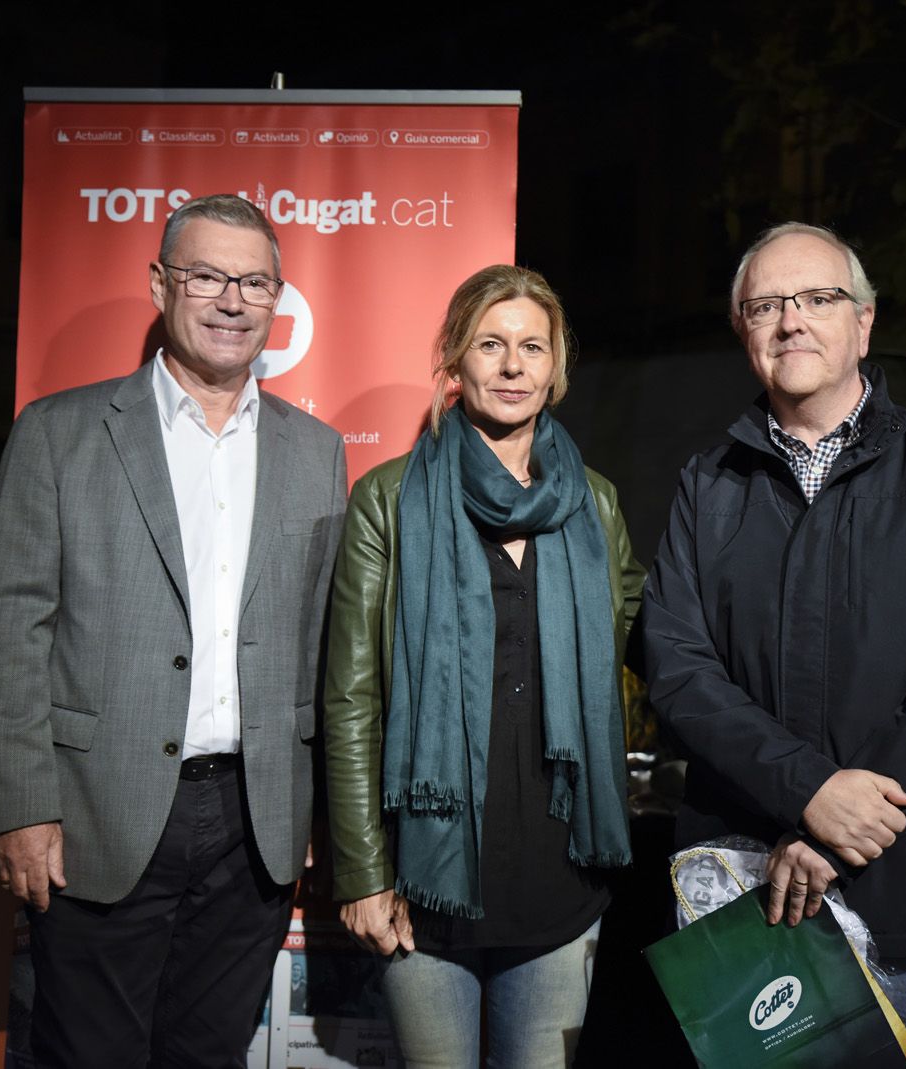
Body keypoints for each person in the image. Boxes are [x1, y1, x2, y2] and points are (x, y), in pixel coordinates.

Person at [0, 193, 348, 1066]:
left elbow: (326, 650)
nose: (231, 300)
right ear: (159, 284)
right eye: (207, 275)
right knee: (87, 1052)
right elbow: (11, 631)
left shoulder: (315, 450)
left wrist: (329, 817)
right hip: (98, 813)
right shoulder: (59, 435)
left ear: (277, 298)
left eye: (254, 282)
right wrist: (20, 806)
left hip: (254, 820)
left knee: (207, 1055)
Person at [639, 223, 906, 1068]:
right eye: (767, 305)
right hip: (753, 898)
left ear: (865, 323)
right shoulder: (709, 484)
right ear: (743, 330)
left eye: (818, 299)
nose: (792, 322)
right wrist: (810, 790)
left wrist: (849, 826)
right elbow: (678, 670)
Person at [324, 264, 642, 1068]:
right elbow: (352, 696)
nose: (512, 366)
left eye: (532, 347)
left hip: (560, 875)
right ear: (455, 362)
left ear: (555, 366)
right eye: (490, 344)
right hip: (424, 882)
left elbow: (646, 652)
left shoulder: (595, 502)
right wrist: (361, 872)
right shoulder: (390, 499)